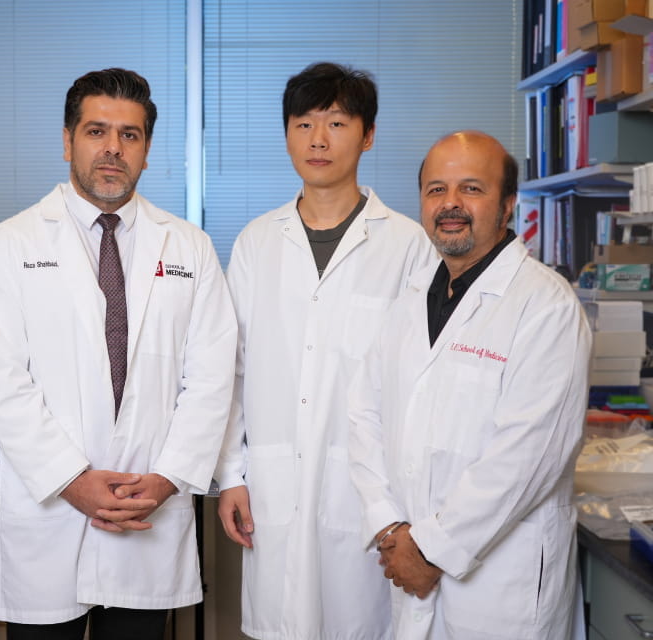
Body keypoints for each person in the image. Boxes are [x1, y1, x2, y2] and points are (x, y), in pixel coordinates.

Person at [0, 68, 236, 639]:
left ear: (146, 150)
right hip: (49, 511)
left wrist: (167, 478)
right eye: (96, 131)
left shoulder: (189, 246)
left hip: (149, 508)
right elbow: (0, 380)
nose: (113, 149)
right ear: (68, 140)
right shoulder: (10, 245)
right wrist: (73, 480)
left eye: (130, 135)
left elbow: (211, 378)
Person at [212, 62, 434, 639]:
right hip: (272, 482)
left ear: (368, 134)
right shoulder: (257, 243)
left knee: (364, 623)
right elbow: (229, 370)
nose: (317, 139)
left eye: (336, 122)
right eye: (303, 123)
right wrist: (231, 475)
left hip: (370, 491)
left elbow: (423, 380)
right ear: (286, 133)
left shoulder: (409, 246)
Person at [348, 130, 591, 639]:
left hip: (501, 585)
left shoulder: (546, 306)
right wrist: (390, 526)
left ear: (507, 205)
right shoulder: (411, 298)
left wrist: (430, 548)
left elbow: (527, 456)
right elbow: (364, 415)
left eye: (471, 189)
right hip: (408, 557)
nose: (450, 204)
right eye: (436, 189)